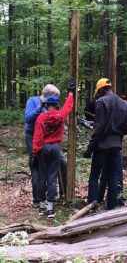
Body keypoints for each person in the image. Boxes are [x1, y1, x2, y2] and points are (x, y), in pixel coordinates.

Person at [83, 78, 127, 210]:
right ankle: (111, 208)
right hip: (116, 146)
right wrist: (117, 135)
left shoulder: (101, 102)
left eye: (97, 92)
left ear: (101, 90)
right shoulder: (124, 104)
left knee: (94, 176)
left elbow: (98, 128)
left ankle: (91, 208)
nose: (97, 95)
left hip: (102, 146)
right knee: (113, 177)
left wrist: (89, 149)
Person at [32, 78, 76, 218]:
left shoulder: (41, 118)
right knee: (52, 177)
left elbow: (37, 137)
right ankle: (51, 209)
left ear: (46, 105)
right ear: (56, 105)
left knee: (42, 177)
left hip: (44, 148)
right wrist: (70, 93)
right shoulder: (60, 116)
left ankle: (42, 207)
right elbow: (68, 107)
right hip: (55, 148)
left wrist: (35, 153)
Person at [25, 84, 68, 208]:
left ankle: (64, 194)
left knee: (63, 162)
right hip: (33, 136)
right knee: (36, 165)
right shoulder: (33, 101)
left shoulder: (51, 106)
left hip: (49, 140)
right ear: (47, 95)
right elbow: (28, 119)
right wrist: (40, 106)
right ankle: (38, 200)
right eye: (54, 97)